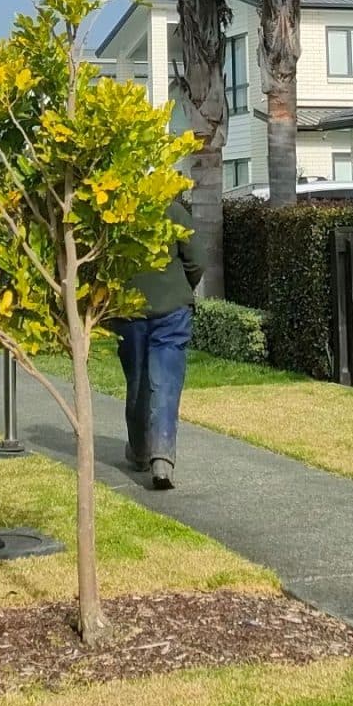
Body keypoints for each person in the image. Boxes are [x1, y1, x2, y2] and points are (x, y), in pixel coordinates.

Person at [113, 195, 204, 489]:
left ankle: (140, 450)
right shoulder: (173, 210)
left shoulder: (115, 210)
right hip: (172, 310)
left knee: (138, 380)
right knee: (165, 381)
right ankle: (161, 458)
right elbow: (196, 261)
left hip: (130, 310)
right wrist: (179, 289)